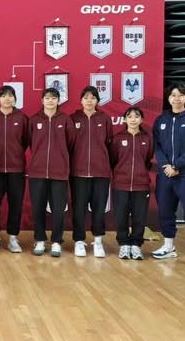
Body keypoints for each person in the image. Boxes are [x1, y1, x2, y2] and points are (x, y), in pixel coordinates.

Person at [152, 83, 185, 270]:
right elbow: (157, 146)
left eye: (180, 95)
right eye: (173, 95)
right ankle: (169, 247)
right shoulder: (162, 119)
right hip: (166, 174)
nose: (176, 98)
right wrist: (166, 166)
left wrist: (177, 166)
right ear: (168, 98)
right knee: (165, 212)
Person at [28, 88, 75, 258]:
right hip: (37, 172)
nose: (50, 101)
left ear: (58, 100)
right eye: (47, 98)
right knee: (38, 208)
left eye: (54, 98)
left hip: (59, 172)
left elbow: (71, 142)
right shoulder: (34, 120)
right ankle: (40, 239)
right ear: (42, 100)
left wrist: (60, 158)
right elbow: (30, 142)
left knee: (58, 209)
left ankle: (56, 241)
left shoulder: (65, 120)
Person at [0, 85, 28, 253]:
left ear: (15, 99)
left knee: (16, 204)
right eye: (4, 96)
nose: (7, 99)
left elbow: (25, 141)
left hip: (16, 169)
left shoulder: (22, 118)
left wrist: (15, 155)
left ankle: (13, 238)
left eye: (10, 96)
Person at [70, 86, 113, 258]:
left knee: (99, 209)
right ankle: (79, 241)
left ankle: (98, 241)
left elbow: (109, 143)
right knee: (78, 209)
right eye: (86, 97)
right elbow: (69, 144)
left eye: (93, 98)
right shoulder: (73, 118)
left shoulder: (105, 119)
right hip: (78, 173)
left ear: (97, 101)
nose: (89, 101)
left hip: (101, 173)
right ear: (81, 100)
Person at [110, 107, 153, 260]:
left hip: (141, 185)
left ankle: (136, 245)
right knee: (121, 216)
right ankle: (124, 244)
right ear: (125, 120)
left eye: (137, 116)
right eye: (130, 116)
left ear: (141, 120)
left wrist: (141, 172)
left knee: (139, 217)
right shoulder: (118, 138)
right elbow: (113, 159)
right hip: (120, 184)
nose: (133, 119)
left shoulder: (147, 138)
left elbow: (148, 160)